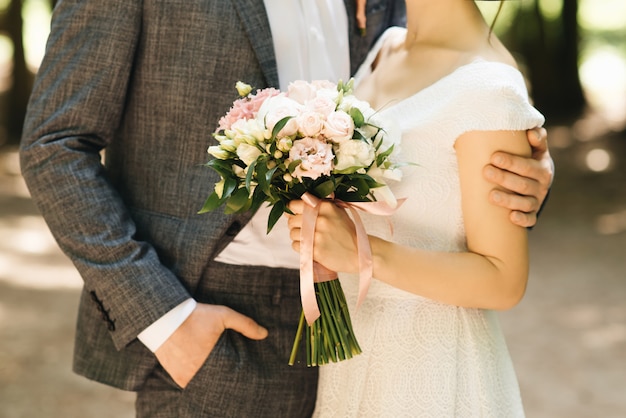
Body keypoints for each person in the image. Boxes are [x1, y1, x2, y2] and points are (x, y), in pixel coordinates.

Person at [19, 1, 551, 417]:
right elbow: (55, 144)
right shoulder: (393, 44)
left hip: (360, 336)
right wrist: (167, 320)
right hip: (213, 323)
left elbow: (449, 130)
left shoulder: (388, 13)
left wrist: (523, 173)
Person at [286, 1, 546, 416]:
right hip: (356, 356)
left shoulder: (489, 87)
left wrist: (362, 253)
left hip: (434, 372)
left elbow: (504, 280)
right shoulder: (384, 49)